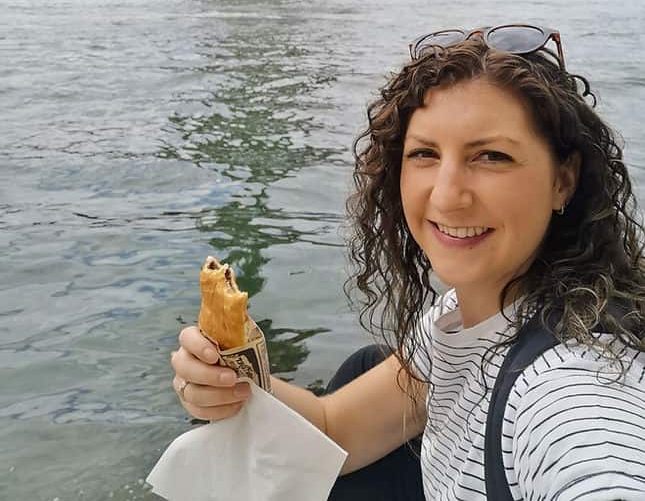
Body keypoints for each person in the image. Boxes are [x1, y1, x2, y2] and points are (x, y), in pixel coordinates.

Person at [171, 24, 645, 500]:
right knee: (364, 367)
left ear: (564, 180)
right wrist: (233, 381)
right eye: (424, 154)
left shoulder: (569, 395)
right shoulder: (462, 316)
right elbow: (335, 430)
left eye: (492, 156)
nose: (446, 195)